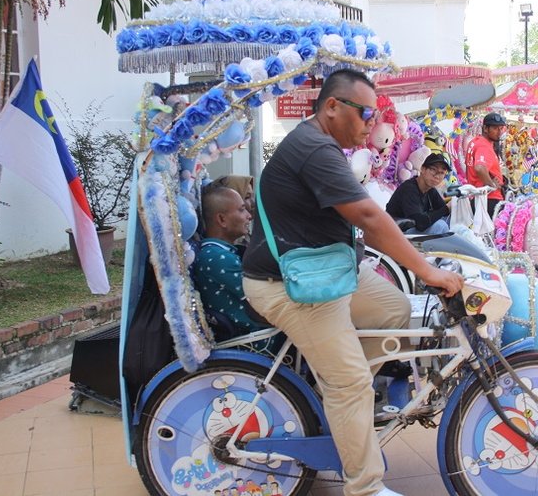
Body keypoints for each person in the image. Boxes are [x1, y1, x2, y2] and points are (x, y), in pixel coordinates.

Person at [241, 69, 462, 496]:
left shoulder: (322, 145)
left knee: (394, 310)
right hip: (292, 282)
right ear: (332, 107)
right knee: (351, 383)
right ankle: (364, 485)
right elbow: (368, 217)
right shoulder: (313, 149)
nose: (370, 123)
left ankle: (343, 400)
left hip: (329, 268)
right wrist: (428, 272)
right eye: (364, 113)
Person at [193, 185, 269, 343]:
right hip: (256, 340)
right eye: (242, 210)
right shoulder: (218, 257)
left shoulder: (214, 252)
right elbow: (260, 297)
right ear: (222, 219)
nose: (249, 216)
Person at [385, 152, 450, 234]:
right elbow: (420, 223)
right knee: (440, 226)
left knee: (450, 222)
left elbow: (444, 210)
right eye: (433, 170)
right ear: (422, 169)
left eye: (442, 173)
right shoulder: (409, 189)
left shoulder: (430, 190)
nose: (437, 176)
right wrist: (446, 209)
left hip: (409, 234)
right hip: (394, 234)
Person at [466, 112, 506, 216]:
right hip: (489, 200)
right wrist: (491, 185)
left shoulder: (475, 142)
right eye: (495, 128)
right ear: (485, 128)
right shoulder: (484, 145)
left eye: (500, 128)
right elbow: (479, 168)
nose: (499, 132)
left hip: (478, 198)